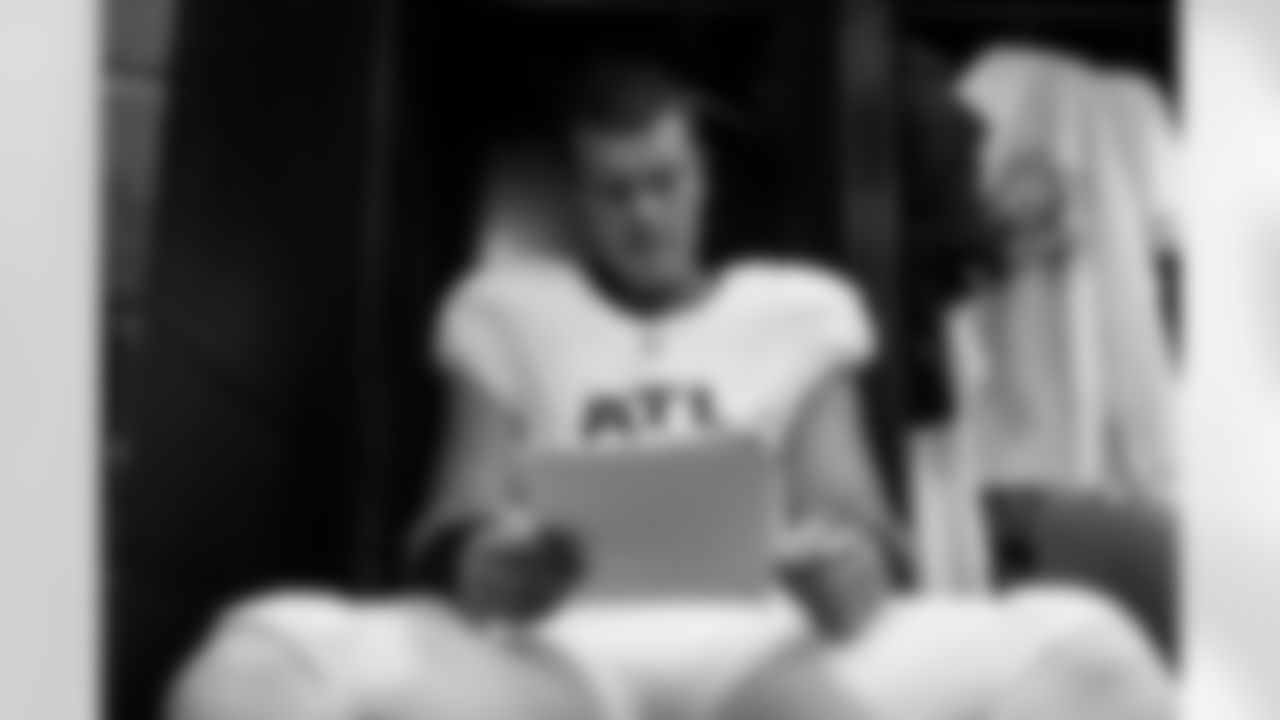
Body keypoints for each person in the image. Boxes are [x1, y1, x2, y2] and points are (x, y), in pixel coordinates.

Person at [165, 60, 1173, 720]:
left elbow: (848, 501)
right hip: (548, 650)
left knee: (1092, 654)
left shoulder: (800, 305)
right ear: (577, 194)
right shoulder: (502, 307)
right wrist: (476, 559)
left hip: (767, 642)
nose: (642, 215)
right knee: (250, 665)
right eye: (613, 190)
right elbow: (454, 507)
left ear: (703, 180)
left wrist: (855, 560)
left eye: (661, 181)